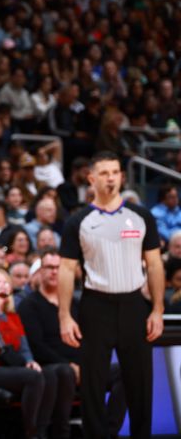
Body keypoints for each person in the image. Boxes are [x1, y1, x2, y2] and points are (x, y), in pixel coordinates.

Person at [59, 151, 164, 439]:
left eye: (115, 172)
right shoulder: (78, 221)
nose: (110, 178)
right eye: (104, 173)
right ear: (91, 178)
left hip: (134, 304)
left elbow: (154, 264)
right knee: (93, 385)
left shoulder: (141, 216)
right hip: (95, 306)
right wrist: (65, 315)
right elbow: (66, 270)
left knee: (141, 384)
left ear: (121, 176)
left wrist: (156, 309)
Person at [18, 248, 126, 437]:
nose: (53, 272)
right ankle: (61, 432)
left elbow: (90, 338)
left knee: (126, 371)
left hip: (82, 366)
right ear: (40, 272)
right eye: (48, 267)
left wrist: (87, 364)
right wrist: (71, 365)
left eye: (58, 268)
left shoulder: (75, 303)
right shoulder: (29, 305)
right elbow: (36, 345)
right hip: (51, 368)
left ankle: (108, 432)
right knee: (65, 372)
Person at [0, 267, 70, 439]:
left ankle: (43, 431)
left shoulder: (13, 317)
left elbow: (23, 346)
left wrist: (30, 361)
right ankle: (31, 433)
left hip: (7, 369)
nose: (2, 286)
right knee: (33, 377)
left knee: (48, 374)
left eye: (6, 282)